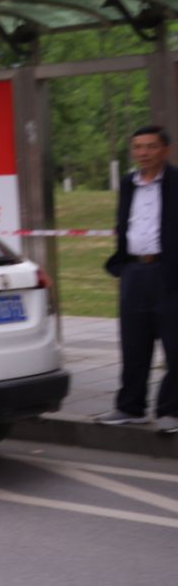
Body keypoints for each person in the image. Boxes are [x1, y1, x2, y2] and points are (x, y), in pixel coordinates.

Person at [98, 125, 178, 432]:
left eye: (150, 147)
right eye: (138, 147)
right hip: (134, 272)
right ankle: (130, 407)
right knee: (133, 344)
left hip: (168, 272)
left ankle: (171, 409)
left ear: (165, 150)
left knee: (175, 345)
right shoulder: (128, 183)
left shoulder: (174, 181)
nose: (143, 153)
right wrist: (123, 266)